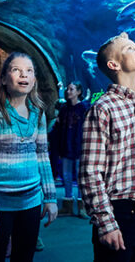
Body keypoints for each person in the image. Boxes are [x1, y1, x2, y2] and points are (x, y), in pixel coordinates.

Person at [80, 33, 135, 262]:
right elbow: (90, 172)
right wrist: (106, 223)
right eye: (130, 48)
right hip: (118, 213)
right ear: (114, 64)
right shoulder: (102, 109)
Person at [0, 53, 57, 262]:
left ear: (34, 80)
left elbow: (42, 156)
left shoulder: (38, 113)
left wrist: (49, 197)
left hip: (31, 202)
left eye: (29, 71)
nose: (24, 74)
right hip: (0, 204)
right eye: (16, 69)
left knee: (24, 257)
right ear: (4, 79)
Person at [54, 81, 89, 217]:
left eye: (71, 89)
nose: (68, 91)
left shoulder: (84, 108)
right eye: (68, 89)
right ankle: (67, 204)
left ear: (78, 92)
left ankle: (81, 207)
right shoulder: (64, 108)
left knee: (80, 175)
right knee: (66, 174)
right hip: (66, 144)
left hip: (80, 145)